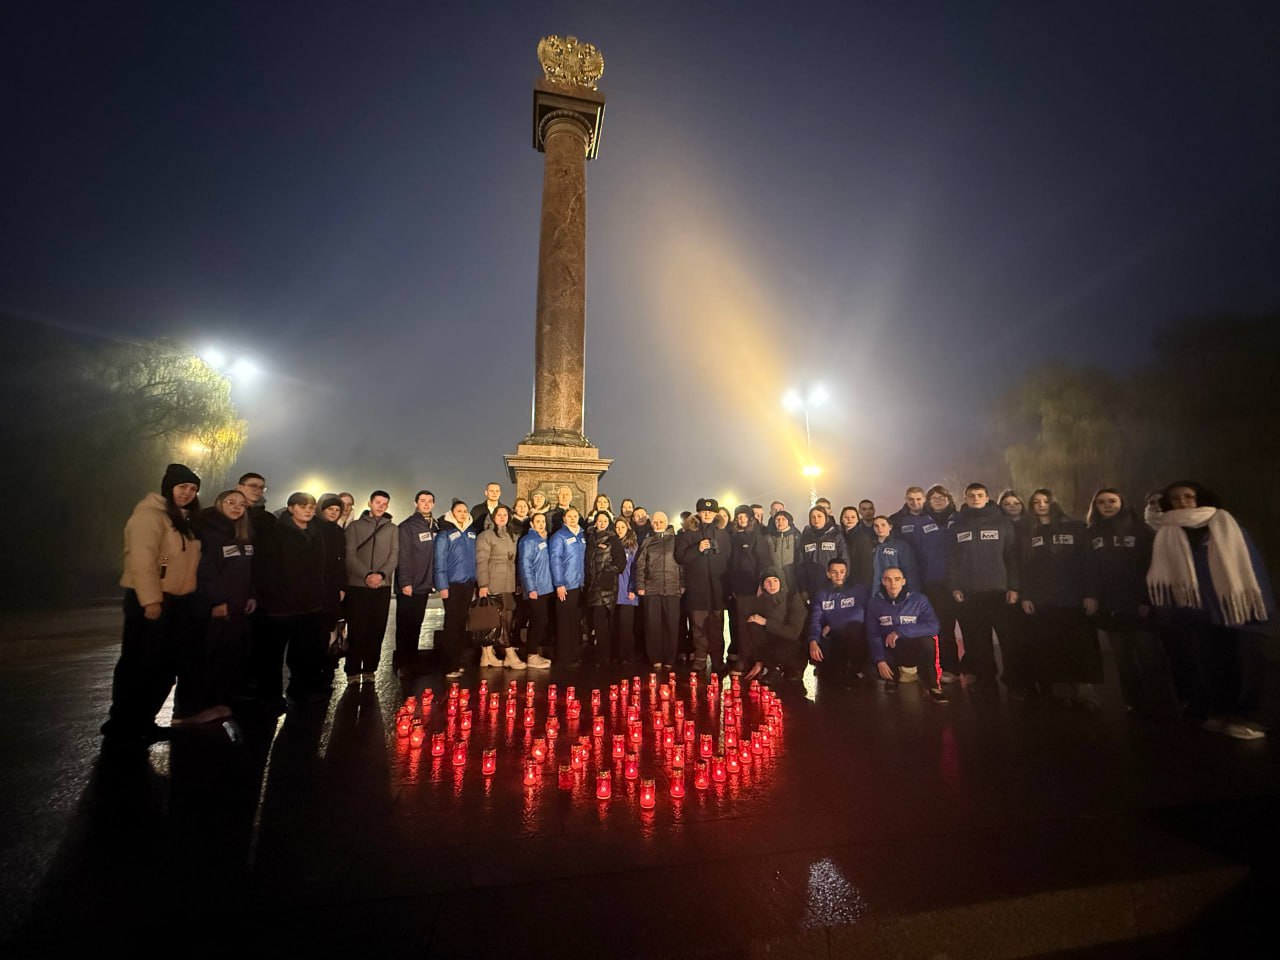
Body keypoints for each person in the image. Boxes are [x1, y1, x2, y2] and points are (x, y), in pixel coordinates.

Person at [1148, 481, 1272, 739]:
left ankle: (1247, 718)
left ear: (1199, 498)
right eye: (1176, 498)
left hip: (1235, 610)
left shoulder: (1226, 525)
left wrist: (1259, 606)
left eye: (1188, 496)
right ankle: (1220, 713)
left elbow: (1250, 566)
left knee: (1243, 663)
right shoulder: (1168, 532)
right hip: (1197, 612)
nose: (1182, 502)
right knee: (1208, 664)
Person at [103, 463, 203, 748]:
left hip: (176, 601)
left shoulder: (181, 519)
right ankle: (123, 724)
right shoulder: (149, 515)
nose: (188, 493)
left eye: (193, 489)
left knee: (162, 666)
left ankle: (143, 721)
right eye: (182, 487)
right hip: (150, 600)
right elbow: (142, 560)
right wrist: (151, 600)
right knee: (139, 664)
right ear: (168, 487)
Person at [1086, 488, 1170, 716]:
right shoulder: (1092, 533)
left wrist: (1146, 600)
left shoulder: (1141, 530)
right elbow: (1092, 569)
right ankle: (1134, 703)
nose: (1107, 505)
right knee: (1123, 660)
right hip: (1111, 607)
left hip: (1140, 605)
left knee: (1149, 657)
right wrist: (1093, 596)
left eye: (1112, 501)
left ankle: (1161, 704)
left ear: (1122, 502)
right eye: (1101, 502)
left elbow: (1151, 567)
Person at [253, 492, 341, 706]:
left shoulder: (316, 532)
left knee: (303, 652)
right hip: (281, 605)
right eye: (303, 506)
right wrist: (273, 595)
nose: (308, 510)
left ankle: (300, 690)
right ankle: (270, 697)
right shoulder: (277, 532)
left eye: (311, 506)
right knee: (273, 655)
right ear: (291, 508)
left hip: (309, 605)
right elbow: (267, 568)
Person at [1019, 488, 1101, 707]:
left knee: (1081, 645)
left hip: (1074, 597)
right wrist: (1026, 596)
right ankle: (1063, 691)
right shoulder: (1029, 532)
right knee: (1053, 644)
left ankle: (1086, 691)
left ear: (1054, 503)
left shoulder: (1075, 527)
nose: (1041, 505)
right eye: (1036, 502)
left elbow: (1088, 563)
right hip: (1044, 599)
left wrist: (1091, 594)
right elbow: (1025, 568)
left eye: (1046, 501)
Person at [182, 489, 256, 725]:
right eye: (231, 502)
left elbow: (248, 569)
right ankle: (191, 709)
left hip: (238, 606)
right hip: (216, 606)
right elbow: (205, 570)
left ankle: (216, 702)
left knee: (228, 657)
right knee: (207, 658)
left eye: (241, 505)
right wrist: (217, 600)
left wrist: (251, 595)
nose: (236, 507)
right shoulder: (207, 531)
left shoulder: (242, 533)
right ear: (219, 503)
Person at [948, 482, 1020, 689]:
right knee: (979, 641)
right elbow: (953, 559)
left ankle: (1014, 680)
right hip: (971, 593)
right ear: (966, 499)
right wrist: (955, 587)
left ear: (987, 497)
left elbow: (1012, 557)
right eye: (971, 496)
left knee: (1008, 640)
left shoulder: (1003, 523)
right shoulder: (959, 525)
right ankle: (986, 678)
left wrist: (1014, 587)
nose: (976, 498)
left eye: (980, 495)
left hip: (1000, 593)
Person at [867, 567, 947, 702]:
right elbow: (872, 633)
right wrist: (879, 660)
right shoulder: (874, 603)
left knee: (928, 642)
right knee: (872, 669)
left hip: (913, 649)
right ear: (882, 582)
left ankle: (933, 686)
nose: (893, 584)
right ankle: (892, 678)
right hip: (890, 650)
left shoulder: (919, 600)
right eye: (888, 580)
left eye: (897, 579)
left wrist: (900, 632)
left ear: (903, 581)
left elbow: (934, 627)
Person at [343, 491, 398, 683]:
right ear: (370, 503)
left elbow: (394, 555)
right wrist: (366, 575)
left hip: (382, 586)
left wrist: (381, 575)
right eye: (378, 502)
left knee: (376, 628)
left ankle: (369, 669)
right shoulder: (355, 527)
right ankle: (352, 670)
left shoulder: (392, 528)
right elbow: (350, 555)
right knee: (357, 628)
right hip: (358, 585)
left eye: (385, 503)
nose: (381, 506)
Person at [676, 498, 732, 674]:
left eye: (710, 511)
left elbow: (728, 560)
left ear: (716, 514)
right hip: (697, 589)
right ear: (698, 513)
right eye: (703, 511)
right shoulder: (688, 533)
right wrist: (696, 549)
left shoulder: (722, 534)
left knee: (716, 627)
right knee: (698, 627)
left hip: (717, 590)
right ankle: (700, 660)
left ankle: (717, 661)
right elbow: (679, 557)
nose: (707, 514)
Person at [476, 504, 526, 669]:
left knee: (503, 619)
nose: (502, 517)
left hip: (508, 583)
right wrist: (483, 584)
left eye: (505, 515)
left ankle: (487, 655)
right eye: (499, 515)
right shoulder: (486, 536)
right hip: (493, 582)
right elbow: (481, 561)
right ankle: (508, 654)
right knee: (494, 618)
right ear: (493, 517)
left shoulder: (511, 536)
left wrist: (517, 583)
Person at [919, 484, 960, 683]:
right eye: (934, 498)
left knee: (970, 628)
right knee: (944, 628)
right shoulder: (922, 523)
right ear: (929, 502)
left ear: (949, 499)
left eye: (942, 497)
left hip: (961, 582)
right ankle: (949, 668)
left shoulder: (959, 519)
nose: (938, 500)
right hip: (935, 583)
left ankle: (974, 668)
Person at [806, 559, 870, 685]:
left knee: (854, 629)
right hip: (834, 636)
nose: (838, 576)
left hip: (853, 635)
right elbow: (816, 620)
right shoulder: (822, 594)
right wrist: (813, 640)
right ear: (828, 574)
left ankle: (855, 670)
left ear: (846, 573)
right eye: (834, 572)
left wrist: (832, 624)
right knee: (828, 674)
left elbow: (858, 615)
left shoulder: (858, 590)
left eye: (842, 572)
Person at [394, 490, 437, 679]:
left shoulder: (435, 526)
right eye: (422, 501)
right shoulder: (407, 526)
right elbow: (403, 555)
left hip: (424, 583)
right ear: (416, 503)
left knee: (417, 624)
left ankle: (413, 661)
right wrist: (405, 582)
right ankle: (403, 663)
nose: (426, 504)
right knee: (405, 625)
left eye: (429, 501)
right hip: (410, 583)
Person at [434, 499, 479, 679]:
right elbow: (439, 561)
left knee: (461, 624)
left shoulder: (471, 533)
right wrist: (442, 585)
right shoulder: (445, 534)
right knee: (451, 624)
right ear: (452, 513)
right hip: (451, 584)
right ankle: (447, 664)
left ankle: (457, 661)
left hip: (467, 584)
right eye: (459, 511)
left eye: (464, 511)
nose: (462, 514)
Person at [727, 504, 772, 673]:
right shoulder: (732, 536)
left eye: (744, 516)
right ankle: (745, 658)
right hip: (739, 588)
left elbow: (764, 561)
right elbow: (730, 563)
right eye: (738, 517)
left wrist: (762, 584)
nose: (741, 519)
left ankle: (758, 659)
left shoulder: (756, 536)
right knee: (741, 625)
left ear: (750, 518)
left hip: (754, 587)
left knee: (754, 624)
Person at [635, 511, 682, 670]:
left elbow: (682, 564)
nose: (658, 524)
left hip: (672, 588)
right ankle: (655, 658)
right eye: (655, 521)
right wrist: (640, 585)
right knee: (653, 625)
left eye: (661, 521)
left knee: (671, 625)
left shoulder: (675, 541)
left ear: (667, 522)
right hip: (652, 589)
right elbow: (640, 564)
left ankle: (670, 659)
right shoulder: (648, 541)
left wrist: (682, 584)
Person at [743, 568, 808, 683]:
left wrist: (766, 622)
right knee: (753, 624)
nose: (772, 585)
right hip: (772, 643)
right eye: (767, 581)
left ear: (781, 582)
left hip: (793, 644)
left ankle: (794, 668)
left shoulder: (792, 599)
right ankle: (771, 667)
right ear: (763, 585)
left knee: (782, 652)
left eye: (775, 580)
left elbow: (793, 633)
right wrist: (759, 660)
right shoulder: (760, 601)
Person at [584, 512, 625, 666]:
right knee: (596, 621)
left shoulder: (613, 539)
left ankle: (605, 656)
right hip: (591, 585)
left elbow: (621, 562)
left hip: (606, 585)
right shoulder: (590, 538)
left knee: (602, 620)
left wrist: (608, 570)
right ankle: (602, 654)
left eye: (605, 520)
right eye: (599, 520)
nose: (601, 523)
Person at [315, 493, 349, 672]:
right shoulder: (315, 529)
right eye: (330, 509)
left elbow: (342, 560)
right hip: (318, 586)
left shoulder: (338, 531)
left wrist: (342, 585)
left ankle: (328, 665)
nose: (334, 513)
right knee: (318, 630)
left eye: (337, 510)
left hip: (334, 587)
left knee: (331, 626)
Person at [549, 505, 587, 665]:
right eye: (569, 516)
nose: (573, 519)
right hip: (565, 585)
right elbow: (555, 559)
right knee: (564, 622)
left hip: (578, 584)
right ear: (564, 519)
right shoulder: (559, 536)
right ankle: (564, 656)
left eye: (575, 516)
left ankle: (574, 654)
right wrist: (559, 583)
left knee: (574, 621)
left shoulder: (582, 535)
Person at [517, 512, 554, 668]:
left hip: (545, 587)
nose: (541, 524)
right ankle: (531, 655)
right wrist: (530, 587)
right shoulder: (528, 540)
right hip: (535, 588)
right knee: (538, 621)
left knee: (542, 621)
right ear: (531, 524)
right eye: (537, 521)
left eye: (543, 521)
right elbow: (525, 565)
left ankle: (534, 653)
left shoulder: (543, 539)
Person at [797, 505, 848, 601]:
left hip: (833, 586)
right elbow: (801, 564)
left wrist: (842, 582)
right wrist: (803, 588)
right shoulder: (806, 538)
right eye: (813, 517)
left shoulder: (836, 536)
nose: (816, 519)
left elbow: (844, 560)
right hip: (812, 587)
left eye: (819, 516)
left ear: (826, 517)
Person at [613, 518, 640, 663]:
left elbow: (636, 569)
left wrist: (632, 588)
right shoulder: (613, 544)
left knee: (626, 625)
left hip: (627, 590)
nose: (619, 529)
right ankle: (617, 654)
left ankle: (627, 655)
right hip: (614, 590)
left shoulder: (633, 546)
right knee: (617, 625)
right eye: (617, 527)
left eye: (622, 526)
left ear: (627, 528)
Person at [870, 515, 920, 590]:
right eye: (876, 526)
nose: (880, 528)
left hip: (894, 589)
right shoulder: (869, 546)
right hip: (874, 589)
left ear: (890, 527)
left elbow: (910, 571)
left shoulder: (901, 546)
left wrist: (912, 592)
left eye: (883, 525)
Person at [840, 503, 875, 587]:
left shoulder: (863, 537)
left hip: (858, 581)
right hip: (843, 579)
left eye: (853, 517)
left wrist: (864, 585)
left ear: (857, 519)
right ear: (841, 519)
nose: (850, 519)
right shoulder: (840, 536)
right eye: (846, 517)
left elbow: (867, 565)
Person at [765, 510, 801, 592]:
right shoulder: (768, 538)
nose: (780, 522)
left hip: (792, 577)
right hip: (774, 578)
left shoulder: (796, 537)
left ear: (789, 521)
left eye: (783, 519)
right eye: (778, 519)